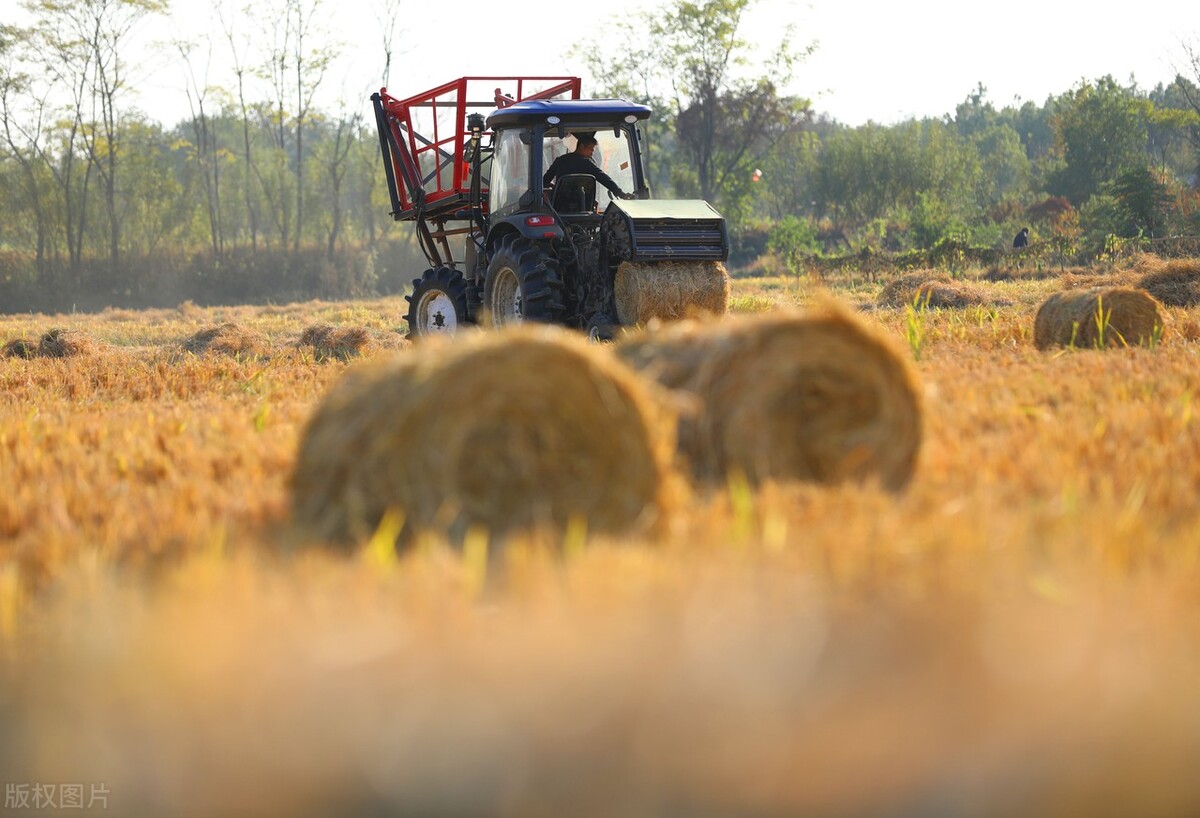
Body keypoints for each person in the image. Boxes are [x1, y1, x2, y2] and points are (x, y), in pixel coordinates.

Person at [543, 133, 632, 200]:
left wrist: (553, 186)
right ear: (581, 146)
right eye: (591, 150)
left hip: (559, 204)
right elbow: (604, 178)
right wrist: (621, 194)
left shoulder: (560, 160)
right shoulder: (587, 163)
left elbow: (544, 180)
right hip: (583, 204)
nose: (592, 153)